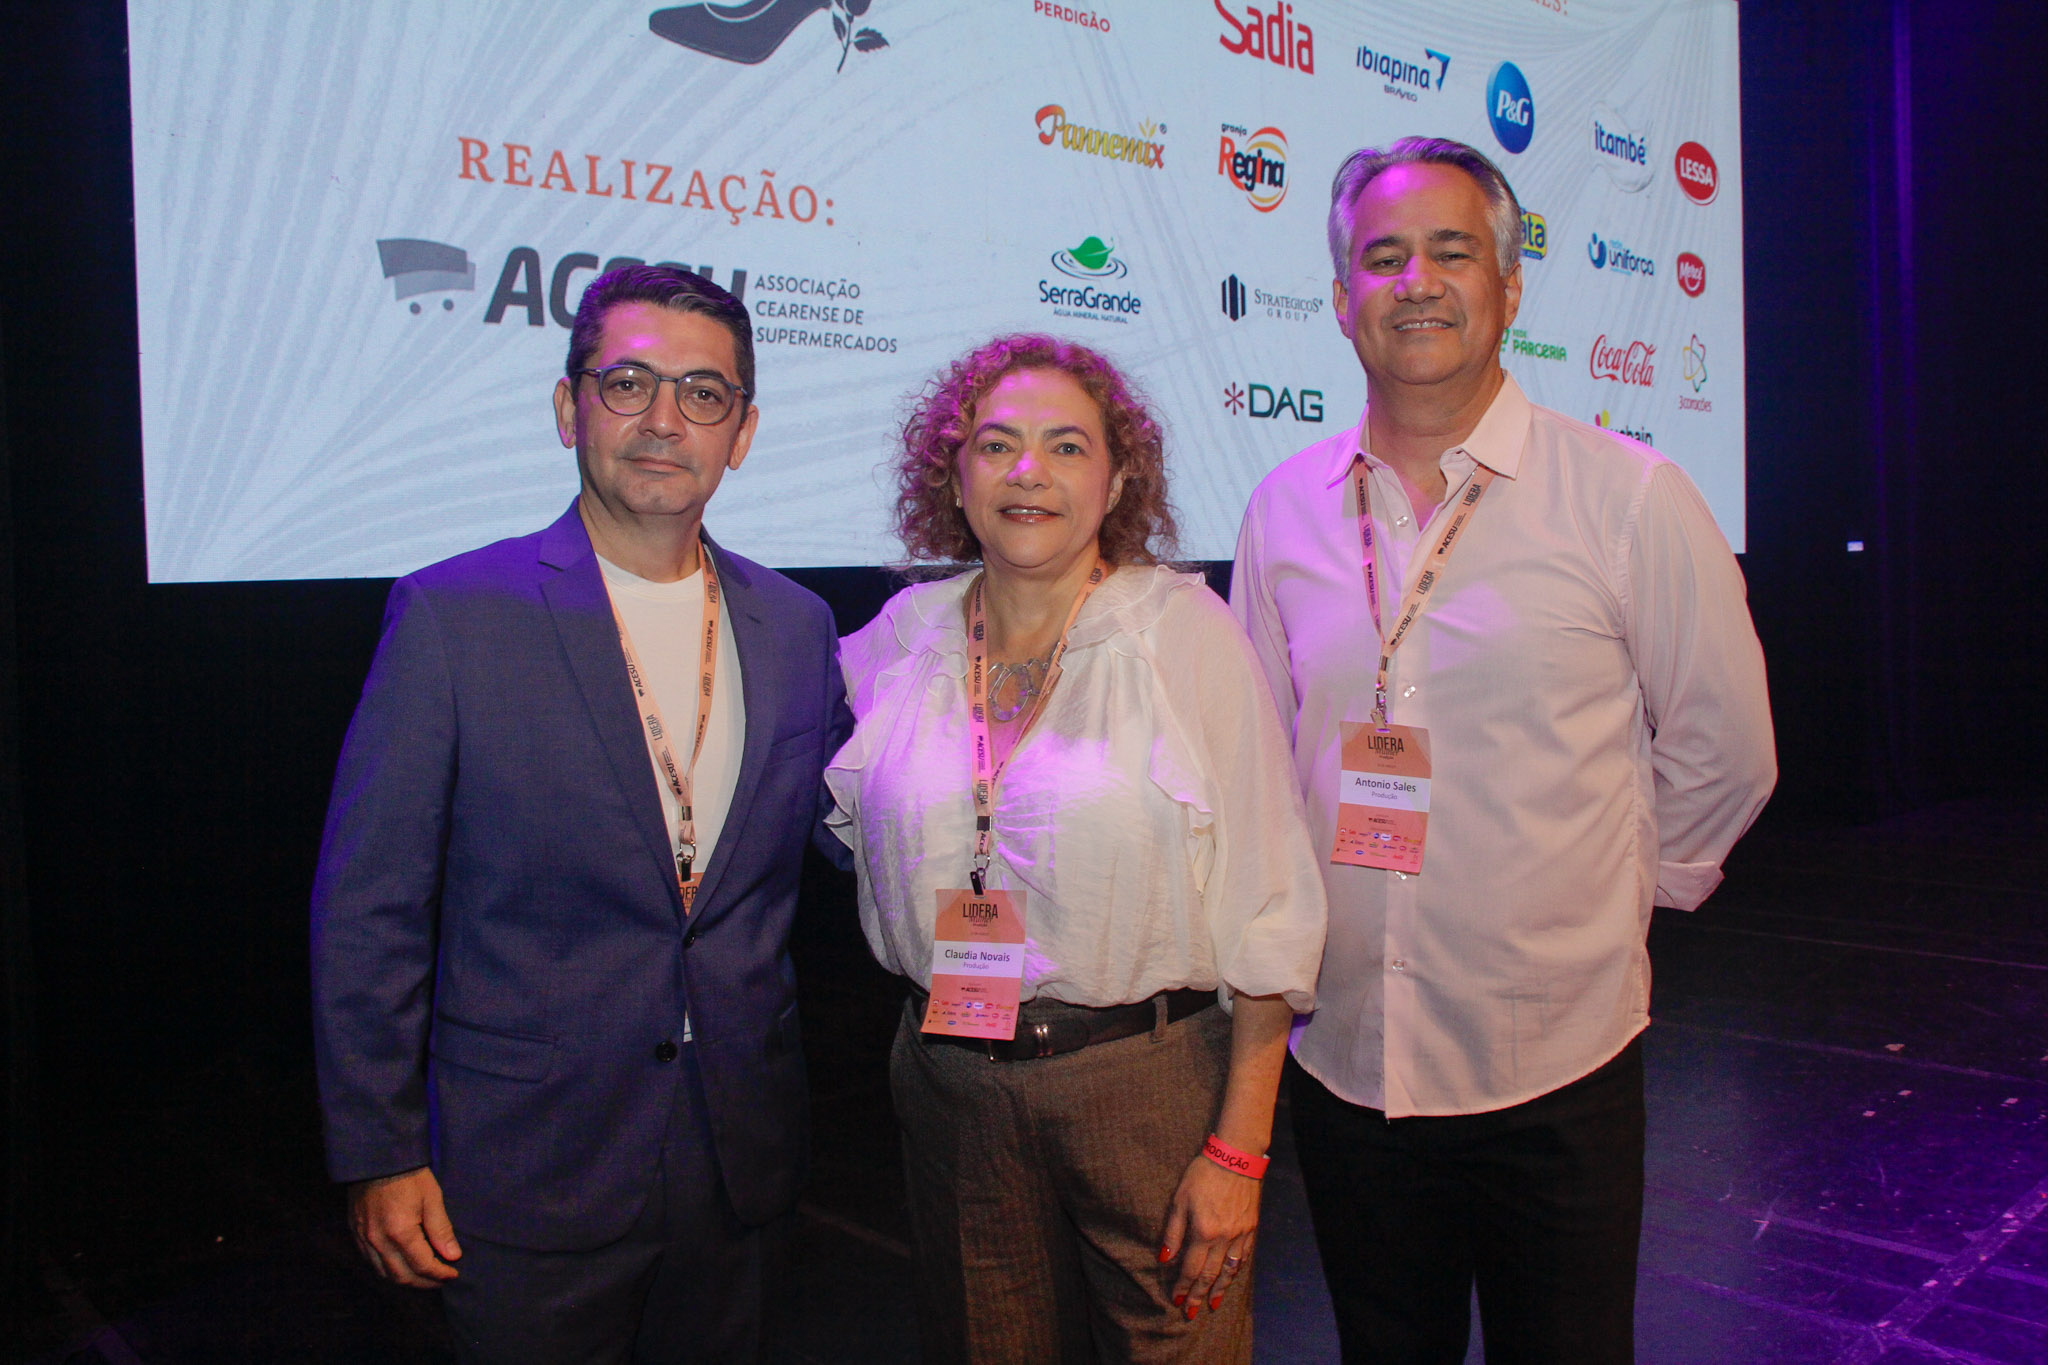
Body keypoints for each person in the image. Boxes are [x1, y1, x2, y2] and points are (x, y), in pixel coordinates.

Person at [1231, 137, 1777, 1362]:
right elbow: (1256, 760)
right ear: (1339, 298)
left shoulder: (1627, 498)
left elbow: (1725, 745)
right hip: (1347, 1064)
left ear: (1509, 283)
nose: (1415, 282)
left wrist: (1618, 894)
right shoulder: (1282, 509)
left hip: (1554, 1067)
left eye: (1450, 251)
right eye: (1381, 257)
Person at [310, 264, 851, 1364]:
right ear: (569, 408)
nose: (664, 420)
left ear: (742, 433)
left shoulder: (798, 626)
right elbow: (369, 906)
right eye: (628, 384)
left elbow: (857, 832)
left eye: (703, 394)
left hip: (739, 1157)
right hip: (527, 1164)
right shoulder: (454, 615)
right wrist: (379, 1148)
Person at [824, 334, 1327, 1363]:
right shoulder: (898, 642)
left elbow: (1269, 899)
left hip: (1145, 1088)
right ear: (952, 475)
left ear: (1116, 480)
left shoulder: (1181, 635)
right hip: (950, 1083)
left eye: (1065, 446)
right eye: (996, 444)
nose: (1028, 472)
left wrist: (1239, 1150)